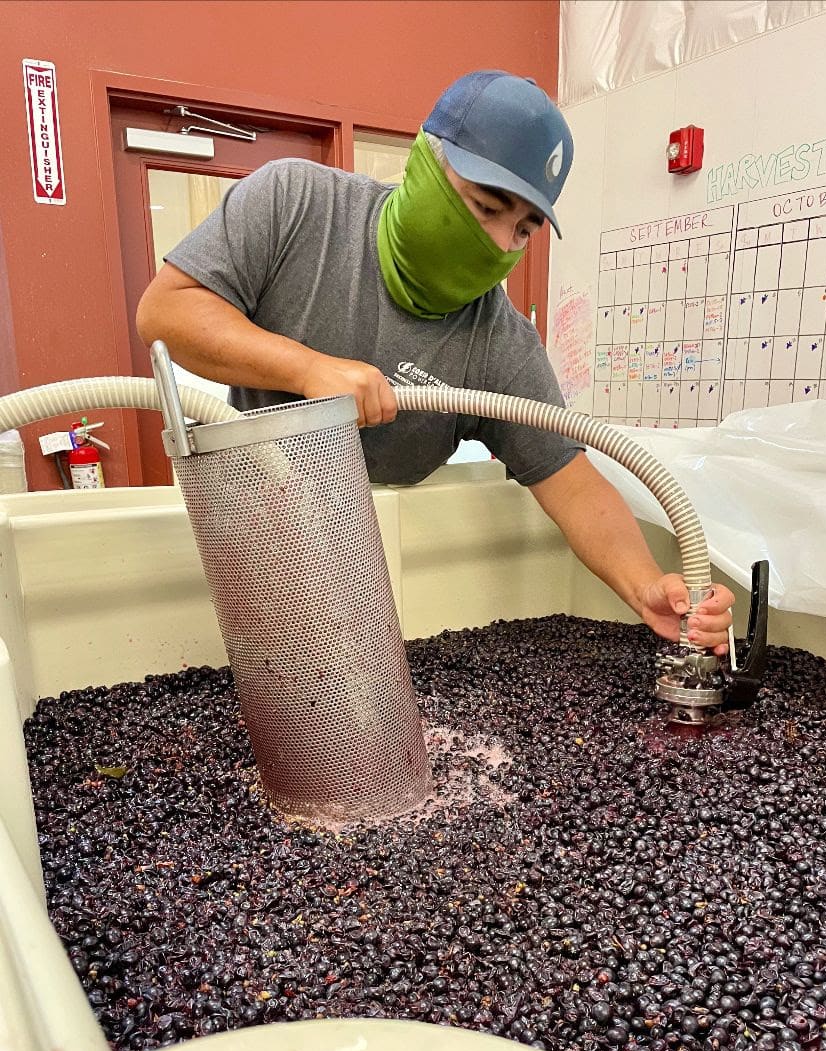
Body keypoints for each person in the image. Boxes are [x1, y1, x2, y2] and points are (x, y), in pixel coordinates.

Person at [137, 70, 734, 652]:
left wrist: (644, 585)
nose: (501, 243)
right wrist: (307, 368)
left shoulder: (498, 342)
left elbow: (571, 481)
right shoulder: (296, 206)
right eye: (486, 206)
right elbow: (166, 315)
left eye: (524, 229)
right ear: (426, 162)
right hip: (261, 537)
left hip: (396, 583)